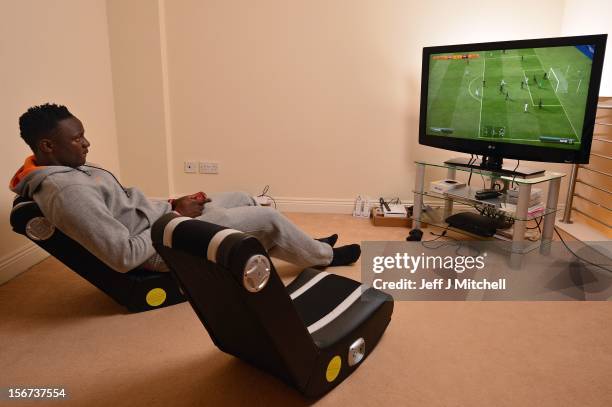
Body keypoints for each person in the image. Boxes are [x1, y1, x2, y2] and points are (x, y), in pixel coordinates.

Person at [10, 104, 361, 273]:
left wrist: (171, 203)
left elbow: (129, 208)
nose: (87, 143)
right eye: (77, 138)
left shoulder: (67, 168)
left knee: (239, 195)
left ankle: (305, 245)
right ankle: (323, 257)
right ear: (47, 146)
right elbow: (122, 257)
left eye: (83, 133)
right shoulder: (66, 192)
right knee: (265, 218)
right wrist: (176, 215)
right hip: (163, 246)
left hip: (162, 219)